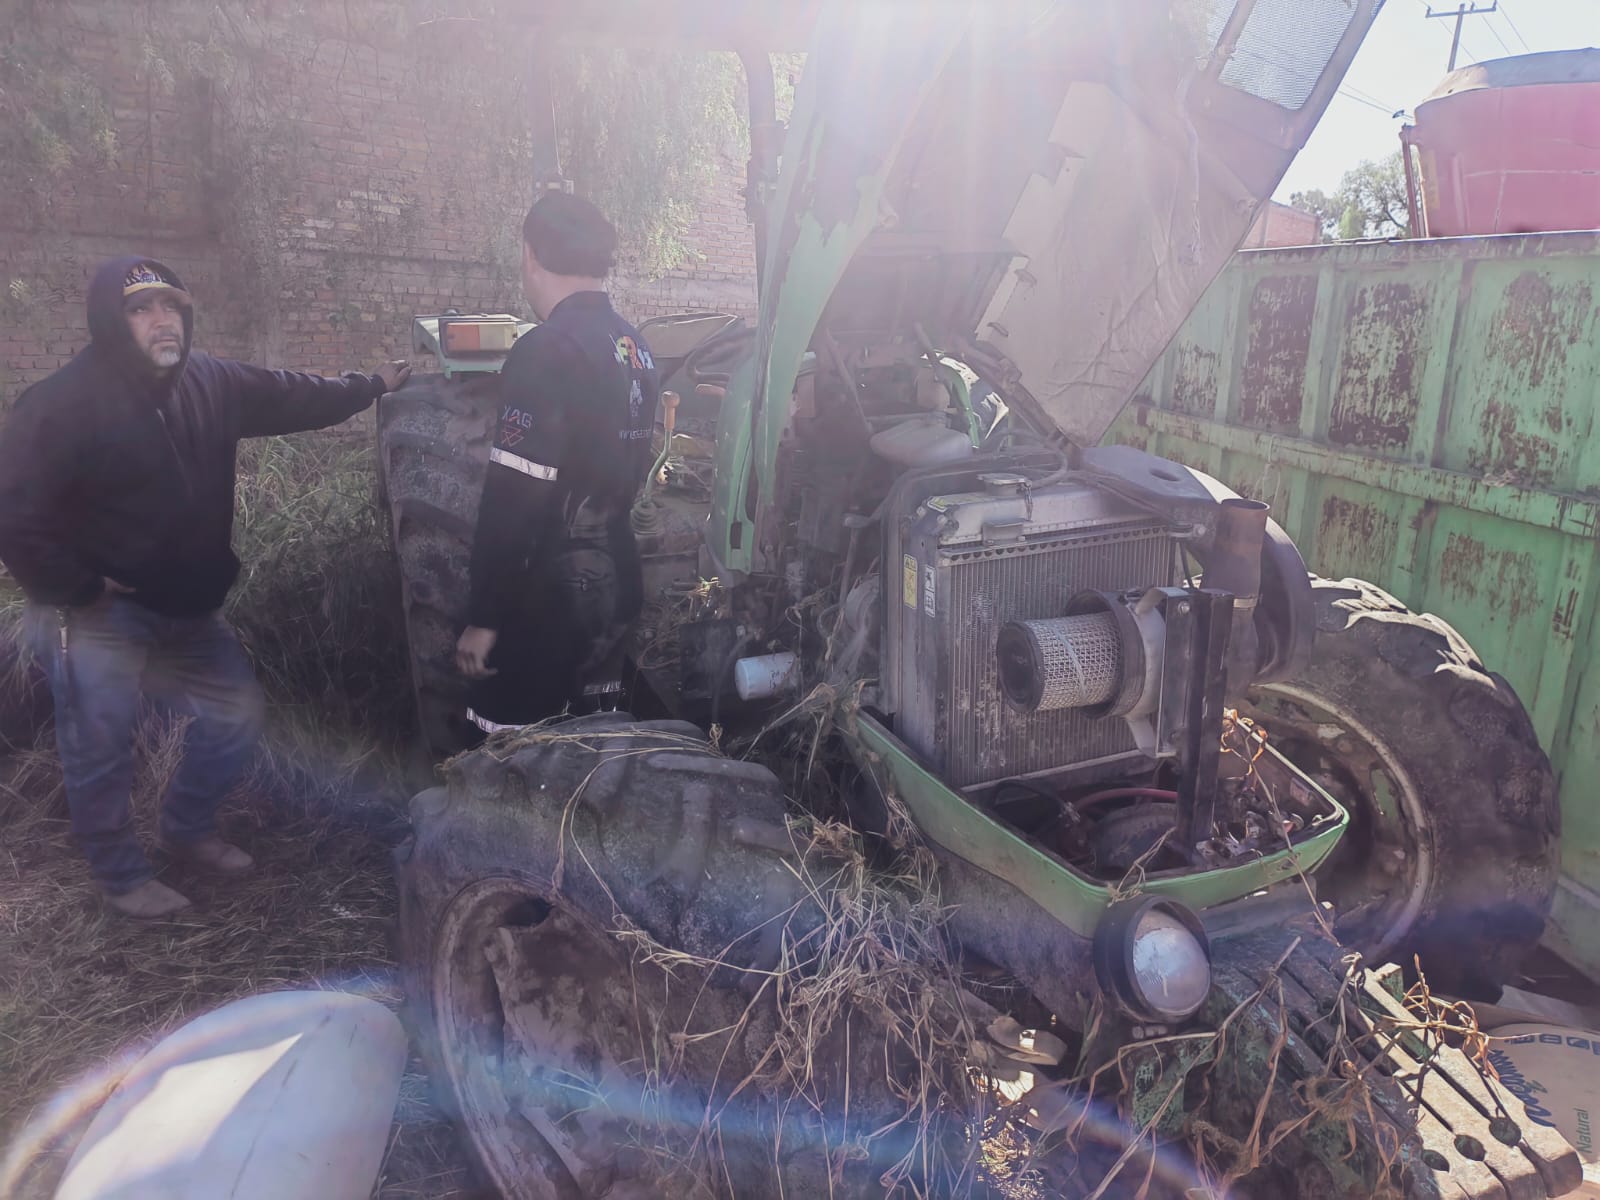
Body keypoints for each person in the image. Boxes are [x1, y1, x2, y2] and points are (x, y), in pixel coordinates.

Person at [0, 256, 411, 918]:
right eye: (140, 310)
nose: (161, 322)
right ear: (110, 322)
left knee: (237, 715)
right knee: (98, 745)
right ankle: (121, 876)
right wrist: (75, 585)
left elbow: (292, 392)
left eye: (171, 308)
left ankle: (185, 828)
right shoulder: (58, 405)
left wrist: (370, 385)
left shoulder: (211, 380)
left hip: (189, 609)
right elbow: (14, 515)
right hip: (102, 612)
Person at [455, 194, 660, 735]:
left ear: (530, 255)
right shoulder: (635, 348)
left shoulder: (547, 349)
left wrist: (484, 618)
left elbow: (514, 501)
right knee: (593, 753)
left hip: (547, 602)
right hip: (617, 585)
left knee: (518, 765)